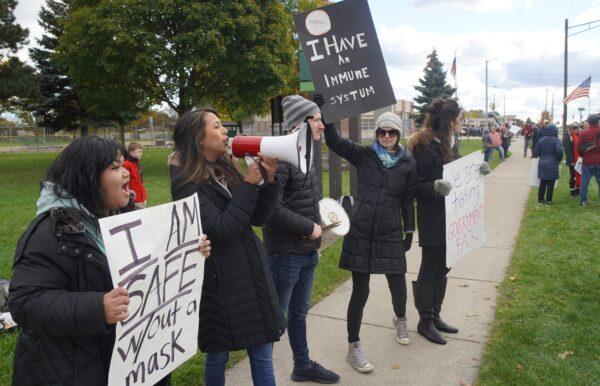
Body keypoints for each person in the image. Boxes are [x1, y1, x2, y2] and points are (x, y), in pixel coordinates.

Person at [8, 137, 211, 386]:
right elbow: (25, 302)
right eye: (115, 168)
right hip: (72, 370)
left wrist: (188, 249)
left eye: (123, 164)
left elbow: (157, 258)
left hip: (132, 365)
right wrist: (98, 307)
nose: (126, 172)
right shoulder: (53, 230)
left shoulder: (126, 216)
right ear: (89, 176)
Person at [169, 108, 284, 386]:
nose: (225, 133)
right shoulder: (186, 181)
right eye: (218, 127)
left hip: (250, 271)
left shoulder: (226, 165)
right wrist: (249, 183)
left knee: (261, 349)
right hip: (220, 278)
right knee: (218, 352)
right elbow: (221, 228)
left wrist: (268, 182)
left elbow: (256, 218)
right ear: (199, 138)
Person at [322, 103, 417, 373]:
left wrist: (409, 230)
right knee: (360, 292)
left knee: (398, 284)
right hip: (362, 231)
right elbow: (335, 141)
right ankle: (353, 347)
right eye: (382, 132)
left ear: (399, 135)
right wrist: (327, 114)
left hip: (389, 230)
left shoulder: (408, 163)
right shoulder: (364, 155)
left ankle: (400, 319)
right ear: (376, 133)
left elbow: (408, 201)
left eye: (392, 132)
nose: (387, 136)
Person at [262, 95, 340, 384]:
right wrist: (308, 227)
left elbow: (305, 201)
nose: (321, 124)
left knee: (298, 314)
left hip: (306, 250)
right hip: (285, 254)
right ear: (302, 122)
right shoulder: (281, 159)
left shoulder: (306, 154)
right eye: (317, 118)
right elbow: (271, 210)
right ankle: (263, 372)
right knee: (275, 318)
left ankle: (302, 365)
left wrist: (321, 226)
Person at [408, 98, 490, 345]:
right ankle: (425, 320)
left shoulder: (449, 143)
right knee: (430, 266)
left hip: (453, 215)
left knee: (445, 265)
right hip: (433, 216)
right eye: (460, 119)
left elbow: (459, 172)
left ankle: (435, 314)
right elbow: (414, 185)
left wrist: (478, 170)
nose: (461, 123)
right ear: (450, 122)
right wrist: (433, 187)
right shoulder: (424, 145)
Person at [533, 125, 563, 204]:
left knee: (542, 182)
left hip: (542, 162)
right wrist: (559, 159)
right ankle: (549, 200)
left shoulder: (541, 140)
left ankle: (540, 199)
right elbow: (559, 151)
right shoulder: (556, 140)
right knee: (551, 182)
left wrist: (542, 156)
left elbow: (536, 152)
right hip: (553, 162)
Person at [577, 114, 600, 206]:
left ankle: (583, 201)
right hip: (599, 161)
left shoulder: (583, 133)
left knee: (584, 183)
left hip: (587, 161)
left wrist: (583, 155)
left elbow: (578, 147)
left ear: (589, 122)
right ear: (597, 121)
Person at [123, 141, 148, 207]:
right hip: (134, 199)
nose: (141, 153)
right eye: (139, 152)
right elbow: (125, 183)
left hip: (142, 197)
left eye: (141, 152)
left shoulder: (137, 163)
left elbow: (140, 181)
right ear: (131, 153)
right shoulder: (126, 164)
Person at [565, 123, 582, 196]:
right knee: (573, 176)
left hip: (579, 159)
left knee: (579, 175)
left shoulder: (580, 135)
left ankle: (578, 190)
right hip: (572, 159)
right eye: (574, 128)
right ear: (571, 128)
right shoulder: (568, 136)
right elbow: (567, 150)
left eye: (576, 128)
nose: (575, 129)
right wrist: (571, 160)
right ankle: (572, 192)